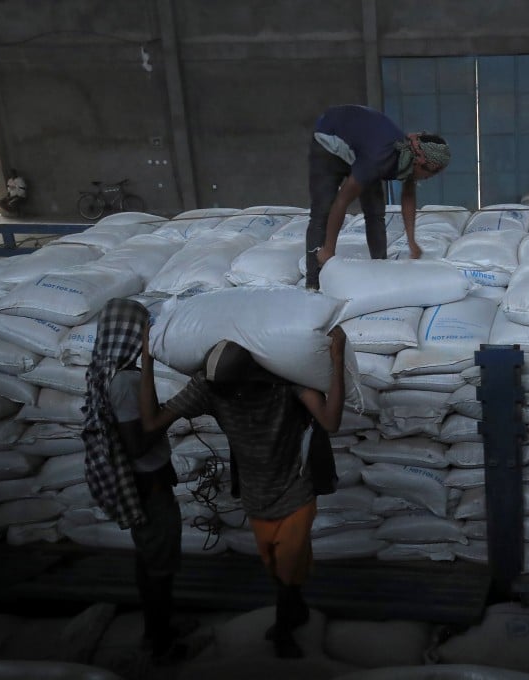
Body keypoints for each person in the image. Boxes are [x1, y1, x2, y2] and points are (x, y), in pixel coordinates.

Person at [136, 326, 347, 658]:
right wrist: (146, 358)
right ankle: (297, 610)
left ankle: (283, 630)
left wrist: (335, 358)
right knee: (277, 568)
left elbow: (330, 421)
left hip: (295, 490)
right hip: (255, 494)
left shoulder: (285, 381)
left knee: (288, 568)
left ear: (252, 375)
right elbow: (151, 423)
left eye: (232, 390)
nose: (227, 398)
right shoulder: (209, 388)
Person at [81, 298, 197, 664]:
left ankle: (157, 627)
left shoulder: (104, 371)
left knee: (148, 561)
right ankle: (161, 641)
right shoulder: (128, 382)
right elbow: (136, 442)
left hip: (141, 485)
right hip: (150, 486)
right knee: (159, 567)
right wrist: (170, 414)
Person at [306, 104, 451, 289]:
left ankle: (380, 267)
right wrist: (329, 250)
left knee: (375, 211)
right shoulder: (379, 158)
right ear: (421, 162)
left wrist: (412, 241)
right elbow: (342, 200)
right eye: (433, 172)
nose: (430, 178)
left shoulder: (406, 159)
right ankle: (314, 282)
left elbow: (408, 194)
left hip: (361, 146)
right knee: (322, 211)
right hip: (329, 140)